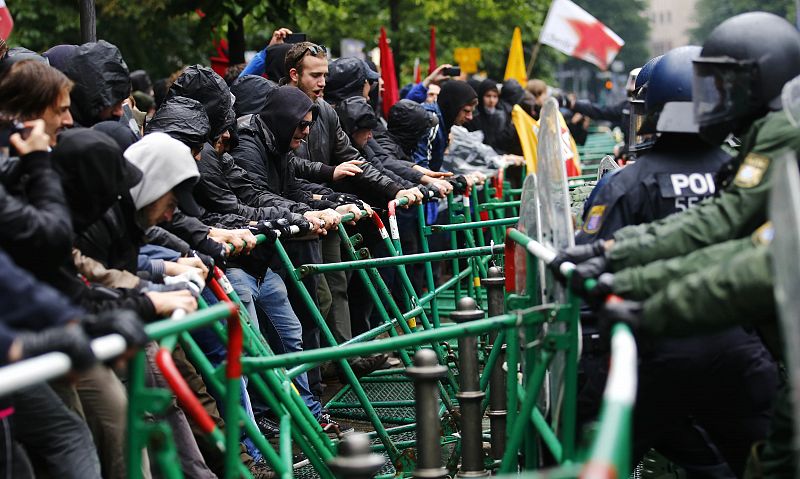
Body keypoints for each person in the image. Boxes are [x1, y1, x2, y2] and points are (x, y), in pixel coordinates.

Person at [553, 11, 800, 477]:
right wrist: (621, 264)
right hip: (744, 348)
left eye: (727, 86)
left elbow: (751, 256)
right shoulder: (754, 145)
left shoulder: (780, 139)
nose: (714, 100)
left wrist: (636, 290)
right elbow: (736, 246)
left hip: (676, 341)